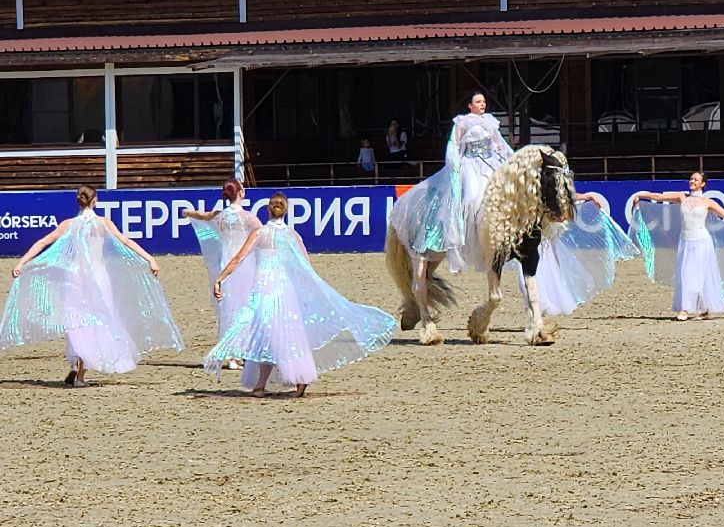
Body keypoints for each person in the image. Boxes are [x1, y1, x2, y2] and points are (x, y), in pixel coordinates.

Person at [207, 193, 398, 397]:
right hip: (285, 291)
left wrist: (220, 278)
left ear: (268, 209)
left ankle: (262, 385)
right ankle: (290, 379)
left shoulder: (260, 233)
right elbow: (306, 267)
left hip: (265, 290)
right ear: (286, 210)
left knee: (266, 336)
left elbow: (239, 258)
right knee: (287, 335)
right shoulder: (291, 236)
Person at [0, 184, 183, 385]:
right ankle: (80, 374)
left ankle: (75, 363)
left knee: (76, 321)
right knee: (96, 321)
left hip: (74, 278)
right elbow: (126, 242)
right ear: (95, 200)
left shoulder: (69, 224)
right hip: (98, 277)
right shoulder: (103, 223)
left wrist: (22, 262)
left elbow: (43, 242)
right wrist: (150, 258)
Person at [387, 90, 514, 273]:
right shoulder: (462, 122)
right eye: (478, 102)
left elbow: (500, 143)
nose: (482, 104)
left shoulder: (490, 121)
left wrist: (513, 157)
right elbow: (453, 144)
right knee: (471, 197)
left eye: (483, 101)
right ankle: (469, 235)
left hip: (489, 162)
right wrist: (453, 163)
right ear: (470, 105)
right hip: (470, 164)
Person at [630, 171, 724, 321]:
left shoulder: (707, 202)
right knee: (686, 272)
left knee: (701, 274)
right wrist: (640, 194)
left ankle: (691, 309)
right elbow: (658, 197)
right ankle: (690, 307)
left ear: (703, 184)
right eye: (691, 178)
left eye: (696, 179)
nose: (692, 181)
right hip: (686, 241)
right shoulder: (682, 197)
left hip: (701, 241)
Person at [182, 179, 262, 370]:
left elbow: (204, 215)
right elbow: (263, 234)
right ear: (241, 193)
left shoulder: (220, 216)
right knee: (245, 307)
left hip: (225, 263)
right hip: (244, 265)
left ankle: (232, 354)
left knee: (229, 307)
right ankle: (241, 352)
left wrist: (187, 212)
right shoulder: (249, 218)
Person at [520, 191, 639, 316]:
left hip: (538, 239)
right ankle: (541, 305)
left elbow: (560, 203)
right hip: (536, 238)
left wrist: (586, 197)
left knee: (540, 274)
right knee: (542, 274)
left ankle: (540, 306)